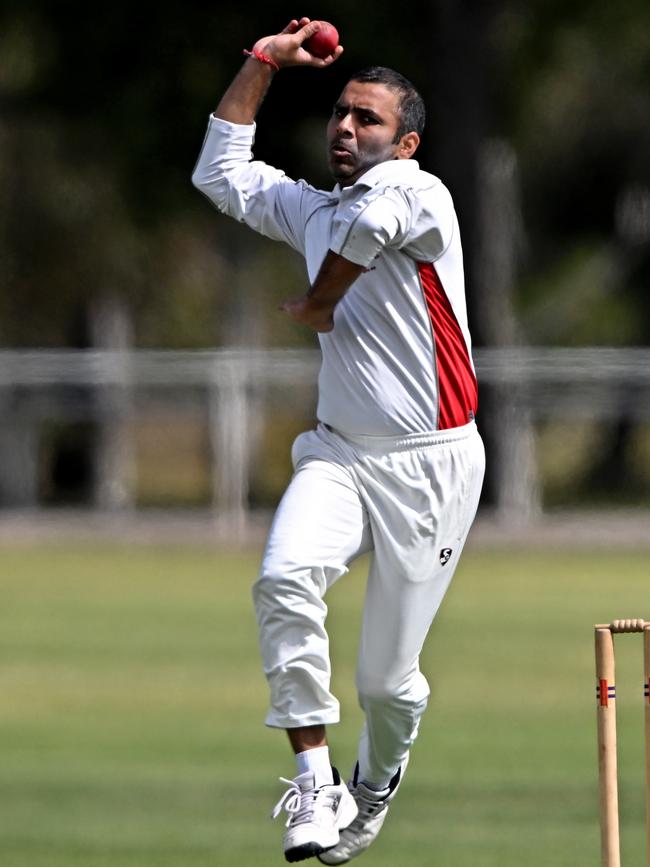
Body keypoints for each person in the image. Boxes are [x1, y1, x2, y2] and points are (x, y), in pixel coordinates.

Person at [192, 18, 485, 864]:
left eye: (368, 120)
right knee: (283, 578)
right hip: (340, 455)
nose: (347, 129)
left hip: (433, 464)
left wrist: (321, 302)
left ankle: (375, 782)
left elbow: (373, 230)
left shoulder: (421, 193)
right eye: (343, 115)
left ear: (408, 142)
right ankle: (316, 782)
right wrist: (262, 62)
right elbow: (220, 171)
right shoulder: (314, 210)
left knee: (387, 684)